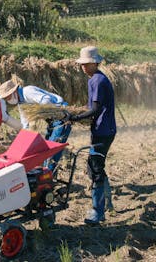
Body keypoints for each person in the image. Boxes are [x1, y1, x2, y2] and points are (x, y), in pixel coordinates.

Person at [68, 46, 116, 225]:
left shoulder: (97, 80)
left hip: (104, 131)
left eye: (86, 64)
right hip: (102, 129)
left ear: (95, 63)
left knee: (95, 169)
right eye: (82, 64)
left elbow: (94, 109)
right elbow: (93, 108)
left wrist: (75, 117)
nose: (83, 67)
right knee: (94, 166)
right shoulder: (96, 78)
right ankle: (107, 202)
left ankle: (98, 212)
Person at [0, 80, 71, 172]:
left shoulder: (28, 91)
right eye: (6, 99)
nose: (8, 100)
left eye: (8, 97)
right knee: (46, 150)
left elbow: (46, 100)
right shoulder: (21, 103)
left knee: (53, 151)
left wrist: (38, 114)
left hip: (60, 118)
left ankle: (49, 177)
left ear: (14, 92)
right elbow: (25, 124)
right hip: (51, 121)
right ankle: (46, 173)